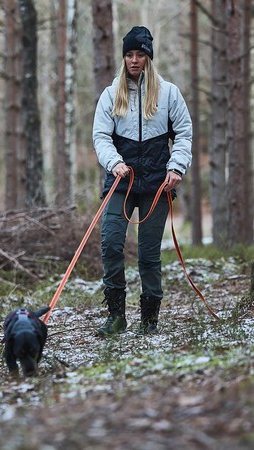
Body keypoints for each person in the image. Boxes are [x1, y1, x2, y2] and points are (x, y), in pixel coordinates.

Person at [92, 26, 192, 336]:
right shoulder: (111, 94)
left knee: (149, 254)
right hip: (120, 182)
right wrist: (115, 162)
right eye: (130, 55)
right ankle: (116, 315)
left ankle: (149, 320)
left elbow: (185, 133)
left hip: (157, 184)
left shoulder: (169, 93)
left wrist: (176, 167)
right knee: (110, 244)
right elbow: (101, 136)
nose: (134, 60)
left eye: (140, 55)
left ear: (149, 58)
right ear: (124, 58)